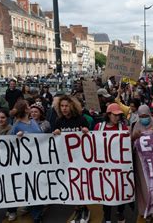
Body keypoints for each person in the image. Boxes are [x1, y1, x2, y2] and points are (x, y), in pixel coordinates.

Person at [51, 95, 90, 223]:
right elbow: (54, 140)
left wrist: (86, 131)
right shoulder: (58, 121)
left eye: (66, 106)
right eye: (62, 106)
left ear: (72, 106)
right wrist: (55, 134)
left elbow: (91, 139)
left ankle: (84, 209)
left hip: (80, 159)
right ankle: (78, 210)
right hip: (66, 160)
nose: (64, 108)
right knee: (71, 186)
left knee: (81, 185)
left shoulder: (81, 119)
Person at [8, 100, 43, 222]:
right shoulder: (17, 125)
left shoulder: (33, 121)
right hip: (25, 162)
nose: (30, 108)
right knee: (31, 187)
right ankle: (35, 215)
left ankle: (37, 211)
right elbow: (10, 143)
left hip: (38, 160)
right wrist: (17, 137)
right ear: (25, 110)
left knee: (38, 186)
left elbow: (42, 136)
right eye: (28, 107)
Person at [94, 103, 128, 223]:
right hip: (104, 167)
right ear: (108, 115)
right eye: (115, 115)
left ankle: (120, 212)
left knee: (120, 191)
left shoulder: (123, 128)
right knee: (106, 192)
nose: (117, 118)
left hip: (119, 166)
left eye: (119, 115)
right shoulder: (99, 127)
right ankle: (107, 217)